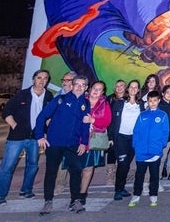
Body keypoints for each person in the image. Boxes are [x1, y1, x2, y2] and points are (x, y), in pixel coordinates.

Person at [0, 69, 54, 206]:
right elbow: (6, 112)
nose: (42, 81)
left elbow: (49, 116)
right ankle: (0, 196)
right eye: (39, 77)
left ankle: (26, 190)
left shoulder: (49, 96)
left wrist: (46, 131)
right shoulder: (22, 94)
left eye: (45, 78)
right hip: (17, 137)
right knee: (7, 166)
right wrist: (15, 126)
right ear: (33, 79)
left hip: (35, 137)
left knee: (32, 165)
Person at [35, 75, 91, 215]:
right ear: (71, 86)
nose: (79, 87)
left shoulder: (86, 103)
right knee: (51, 172)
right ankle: (48, 201)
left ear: (86, 88)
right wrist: (40, 136)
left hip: (73, 144)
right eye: (76, 84)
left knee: (76, 171)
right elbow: (42, 116)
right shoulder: (60, 99)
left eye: (82, 85)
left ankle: (75, 201)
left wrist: (84, 143)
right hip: (54, 143)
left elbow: (85, 124)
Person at [128, 90, 170, 208]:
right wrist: (136, 145)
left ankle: (153, 194)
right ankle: (136, 194)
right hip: (141, 152)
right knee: (139, 174)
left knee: (154, 175)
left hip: (155, 151)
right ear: (148, 102)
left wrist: (161, 145)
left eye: (155, 101)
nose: (152, 103)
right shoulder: (142, 115)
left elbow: (165, 132)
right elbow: (136, 131)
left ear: (158, 101)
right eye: (150, 101)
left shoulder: (162, 115)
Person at [109, 79, 143, 200]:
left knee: (127, 164)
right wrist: (111, 137)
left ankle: (122, 188)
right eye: (131, 87)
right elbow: (112, 121)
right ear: (127, 89)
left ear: (138, 90)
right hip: (121, 137)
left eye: (136, 87)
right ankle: (118, 190)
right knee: (122, 163)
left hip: (134, 138)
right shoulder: (119, 103)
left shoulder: (141, 105)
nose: (133, 89)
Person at [79, 80, 112, 206]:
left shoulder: (104, 104)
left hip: (93, 140)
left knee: (88, 168)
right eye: (94, 88)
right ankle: (75, 191)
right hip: (77, 139)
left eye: (99, 89)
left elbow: (107, 121)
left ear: (102, 92)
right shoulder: (81, 99)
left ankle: (82, 193)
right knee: (76, 167)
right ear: (90, 88)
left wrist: (93, 120)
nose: (96, 91)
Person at [55, 70, 77, 193]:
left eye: (67, 80)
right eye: (63, 80)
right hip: (61, 134)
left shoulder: (81, 95)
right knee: (62, 159)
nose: (64, 83)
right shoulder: (58, 96)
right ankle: (59, 183)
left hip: (77, 133)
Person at [105, 79, 126, 185]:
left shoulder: (128, 99)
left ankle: (120, 176)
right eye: (117, 86)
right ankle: (110, 175)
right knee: (111, 152)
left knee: (122, 154)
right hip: (111, 128)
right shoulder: (110, 99)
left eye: (121, 85)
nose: (119, 88)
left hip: (123, 130)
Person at [158, 84, 170, 189]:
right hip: (159, 138)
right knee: (158, 160)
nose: (169, 94)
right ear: (163, 94)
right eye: (167, 92)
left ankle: (157, 181)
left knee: (163, 159)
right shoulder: (159, 106)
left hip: (169, 138)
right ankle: (155, 181)